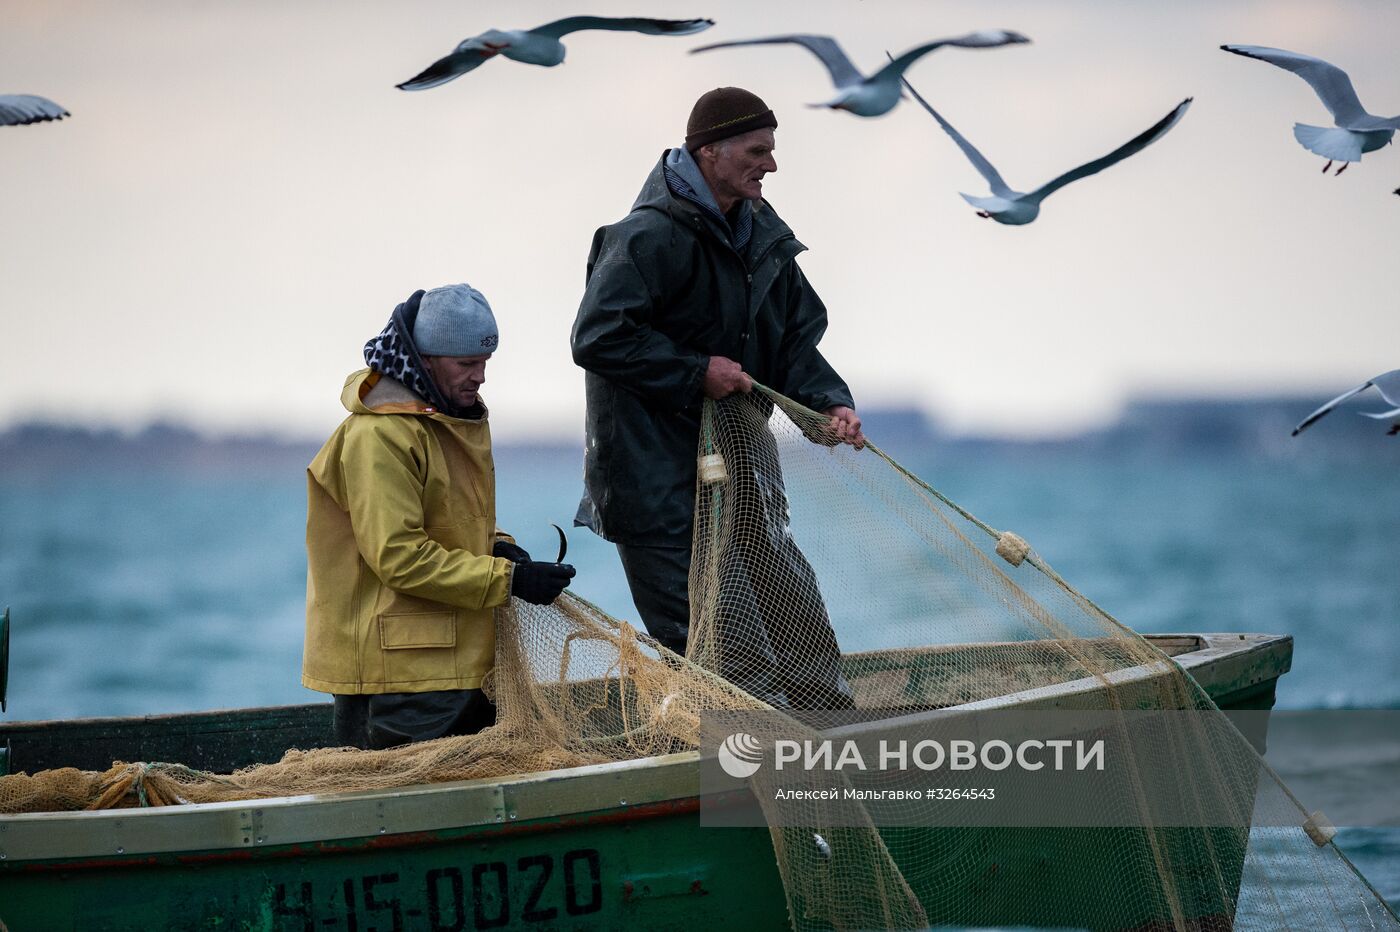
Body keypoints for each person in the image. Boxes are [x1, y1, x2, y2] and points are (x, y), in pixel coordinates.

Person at [570, 87, 864, 710]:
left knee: (789, 600)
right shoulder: (645, 237)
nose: (772, 165)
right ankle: (755, 767)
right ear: (710, 151)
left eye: (772, 151)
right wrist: (695, 370)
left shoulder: (763, 238)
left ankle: (827, 735)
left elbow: (794, 344)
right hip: (652, 480)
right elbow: (597, 337)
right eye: (759, 150)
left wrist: (827, 404)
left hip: (741, 470)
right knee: (719, 642)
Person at [304, 283, 576, 749]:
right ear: (427, 360)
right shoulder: (381, 436)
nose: (480, 378)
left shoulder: (446, 418)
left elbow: (452, 522)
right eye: (466, 364)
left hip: (448, 659)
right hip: (396, 677)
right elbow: (399, 555)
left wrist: (499, 547)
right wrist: (508, 580)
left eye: (485, 363)